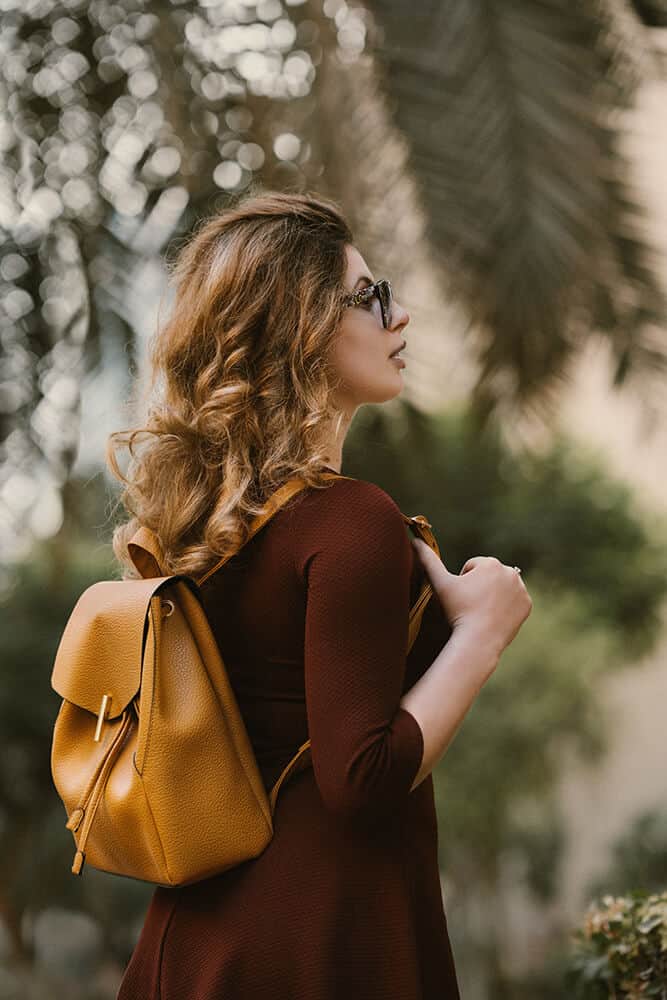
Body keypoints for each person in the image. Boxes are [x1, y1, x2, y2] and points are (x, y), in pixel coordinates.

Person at [109, 189, 532, 999]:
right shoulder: (350, 521)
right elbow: (361, 779)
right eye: (369, 296)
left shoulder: (203, 529)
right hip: (322, 942)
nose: (398, 315)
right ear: (299, 325)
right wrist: (483, 633)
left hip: (195, 940)